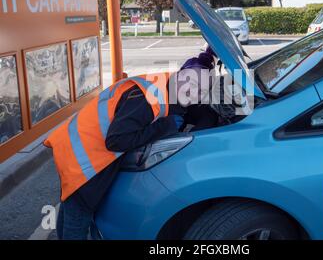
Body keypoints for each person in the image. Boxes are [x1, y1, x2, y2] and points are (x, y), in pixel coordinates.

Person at [44, 49, 215, 240]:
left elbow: (186, 108)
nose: (194, 92)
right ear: (181, 74)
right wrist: (163, 127)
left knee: (70, 206)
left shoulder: (167, 86)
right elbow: (116, 141)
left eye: (202, 91)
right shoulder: (146, 99)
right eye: (192, 83)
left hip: (73, 145)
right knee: (79, 217)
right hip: (83, 158)